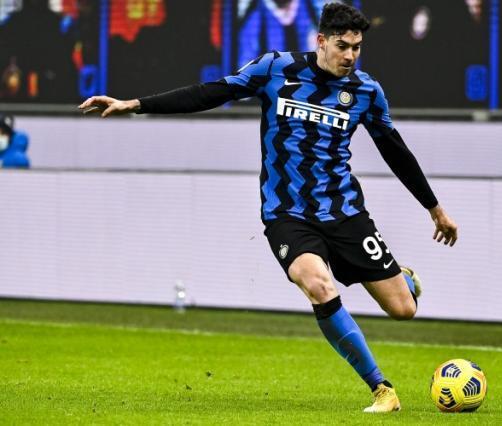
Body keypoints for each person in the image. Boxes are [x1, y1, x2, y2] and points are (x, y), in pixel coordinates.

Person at [78, 2, 458, 413]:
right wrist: (136, 104)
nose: (350, 55)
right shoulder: (276, 69)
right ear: (321, 41)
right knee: (318, 285)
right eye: (342, 46)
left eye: (357, 47)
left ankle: (403, 281)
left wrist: (434, 209)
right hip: (287, 215)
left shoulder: (366, 91)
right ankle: (382, 389)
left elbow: (395, 151)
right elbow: (211, 92)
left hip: (344, 212)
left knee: (403, 309)